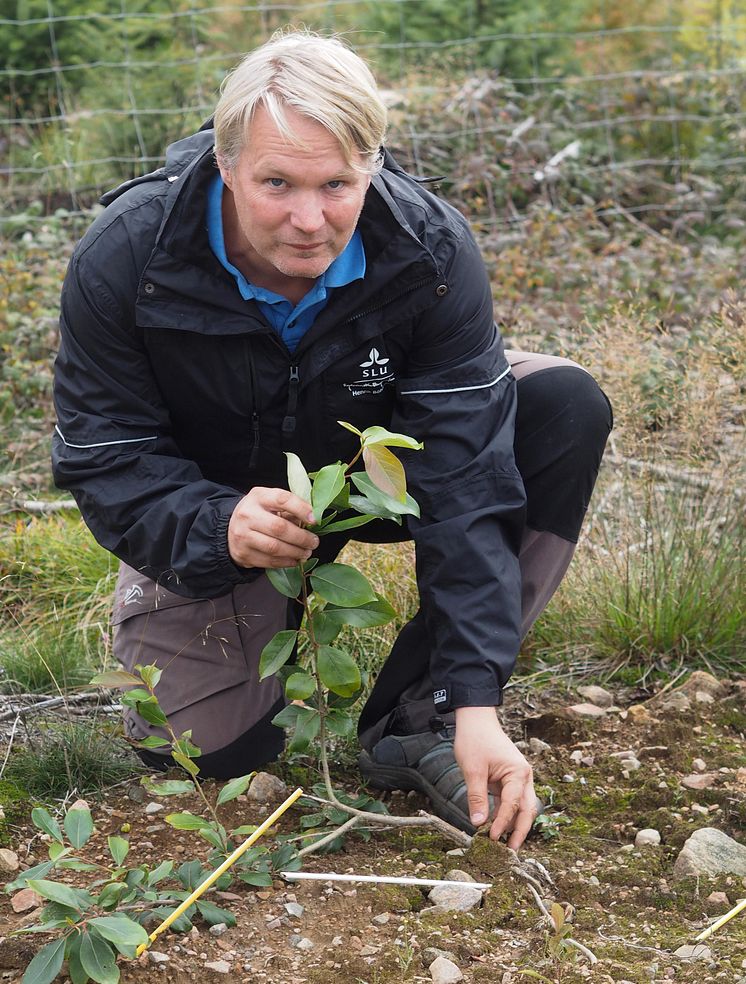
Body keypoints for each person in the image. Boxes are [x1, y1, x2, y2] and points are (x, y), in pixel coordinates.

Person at [52, 31, 612, 850]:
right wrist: (217, 525)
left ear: (371, 166)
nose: (309, 221)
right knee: (213, 757)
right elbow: (105, 454)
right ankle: (258, 607)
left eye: (337, 184)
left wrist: (478, 699)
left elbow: (466, 477)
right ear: (227, 162)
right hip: (228, 509)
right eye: (276, 183)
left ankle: (423, 715)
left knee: (560, 405)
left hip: (374, 469)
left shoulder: (430, 248)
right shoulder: (128, 255)